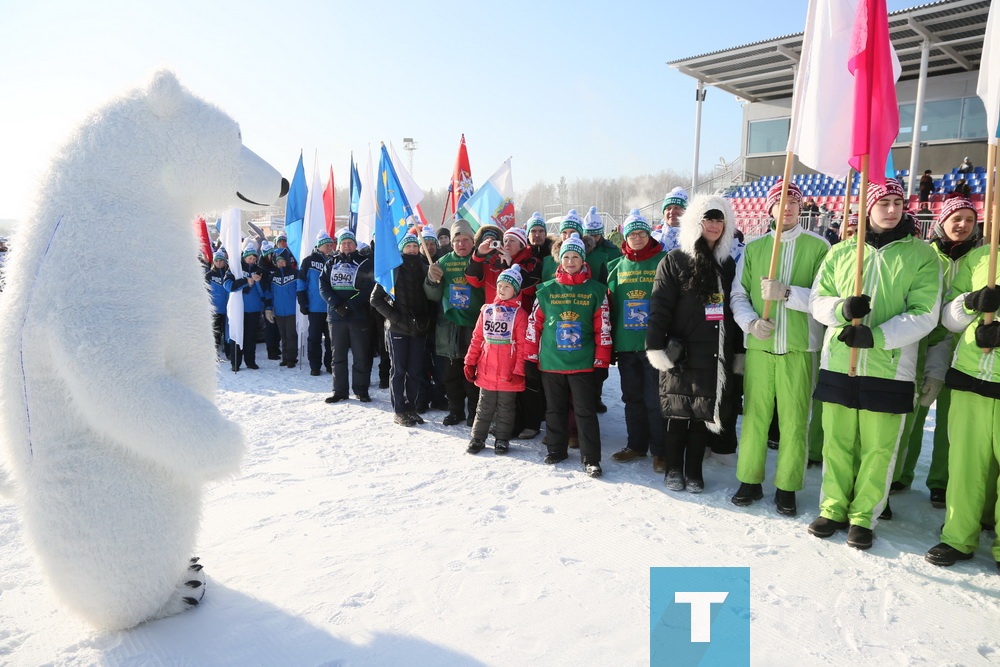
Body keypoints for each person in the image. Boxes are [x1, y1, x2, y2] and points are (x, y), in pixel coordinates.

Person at [807, 178, 942, 550]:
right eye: (884, 203)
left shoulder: (922, 255)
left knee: (878, 449)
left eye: (898, 203)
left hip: (890, 368)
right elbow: (819, 299)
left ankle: (864, 514)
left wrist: (877, 336)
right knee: (837, 442)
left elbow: (925, 313)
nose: (892, 209)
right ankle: (833, 507)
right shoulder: (841, 252)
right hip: (839, 362)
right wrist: (841, 310)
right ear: (868, 208)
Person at [730, 181, 830, 517]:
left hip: (800, 349)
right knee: (756, 417)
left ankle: (787, 486)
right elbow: (738, 295)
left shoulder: (819, 247)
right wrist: (750, 323)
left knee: (795, 420)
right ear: (769, 208)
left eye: (793, 203)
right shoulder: (755, 248)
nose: (786, 209)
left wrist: (788, 294)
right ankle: (749, 479)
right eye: (780, 203)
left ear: (800, 208)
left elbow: (824, 299)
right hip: (761, 348)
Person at [646, 194, 743, 494]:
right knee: (678, 412)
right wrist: (656, 346)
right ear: (695, 222)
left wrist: (738, 352)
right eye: (708, 219)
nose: (714, 225)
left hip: (713, 352)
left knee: (702, 414)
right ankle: (674, 469)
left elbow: (735, 308)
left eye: (719, 219)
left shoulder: (729, 265)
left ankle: (694, 470)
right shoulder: (674, 261)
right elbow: (660, 306)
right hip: (681, 350)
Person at [892, 197, 980, 508]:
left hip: (963, 349)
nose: (962, 225)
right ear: (942, 221)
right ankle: (900, 472)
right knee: (912, 412)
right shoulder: (926, 256)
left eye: (969, 220)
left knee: (949, 421)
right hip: (921, 343)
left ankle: (941, 481)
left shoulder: (981, 259)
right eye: (956, 218)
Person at [924, 227, 1000, 567]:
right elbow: (950, 319)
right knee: (965, 466)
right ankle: (958, 536)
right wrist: (970, 303)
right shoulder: (982, 257)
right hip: (970, 379)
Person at [526, 233, 612, 477]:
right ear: (560, 260)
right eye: (566, 257)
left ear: (583, 259)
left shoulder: (597, 291)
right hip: (551, 363)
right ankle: (556, 449)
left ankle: (591, 458)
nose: (571, 261)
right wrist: (530, 358)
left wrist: (601, 362)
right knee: (554, 409)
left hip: (583, 363)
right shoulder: (545, 290)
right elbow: (534, 327)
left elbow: (603, 329)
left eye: (575, 256)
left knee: (585, 412)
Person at [607, 209, 668, 472]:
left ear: (649, 234)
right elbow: (609, 308)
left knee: (654, 398)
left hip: (654, 344)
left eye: (642, 232)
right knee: (632, 397)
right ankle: (636, 445)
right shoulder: (615, 267)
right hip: (626, 344)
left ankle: (660, 450)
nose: (637, 237)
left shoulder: (664, 260)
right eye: (632, 234)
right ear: (626, 237)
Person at [370, 230, 436, 427]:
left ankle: (412, 408)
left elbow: (431, 297)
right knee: (399, 370)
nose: (413, 249)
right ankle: (399, 410)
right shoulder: (393, 270)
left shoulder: (425, 268)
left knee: (415, 371)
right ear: (401, 249)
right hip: (398, 329)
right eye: (409, 246)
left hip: (418, 329)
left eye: (415, 246)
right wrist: (396, 318)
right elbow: (375, 300)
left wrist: (427, 319)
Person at [425, 217, 485, 427]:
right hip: (449, 326)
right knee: (450, 374)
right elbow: (433, 296)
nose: (461, 244)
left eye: (465, 240)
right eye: (457, 240)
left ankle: (473, 413)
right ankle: (455, 410)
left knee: (472, 372)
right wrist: (431, 280)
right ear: (451, 243)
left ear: (472, 242)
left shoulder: (480, 261)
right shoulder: (443, 262)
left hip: (474, 325)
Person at [464, 264, 529, 455]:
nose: (501, 289)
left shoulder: (520, 314)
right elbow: (477, 338)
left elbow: (524, 345)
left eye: (507, 286)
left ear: (516, 290)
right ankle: (477, 438)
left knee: (506, 409)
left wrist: (519, 370)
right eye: (500, 285)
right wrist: (470, 361)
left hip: (509, 372)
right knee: (484, 407)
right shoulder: (487, 310)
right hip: (486, 369)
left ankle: (502, 439)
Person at [320, 228, 374, 403]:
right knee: (338, 356)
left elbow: (368, 287)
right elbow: (323, 286)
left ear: (355, 245)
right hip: (336, 317)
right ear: (339, 245)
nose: (347, 246)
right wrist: (336, 304)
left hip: (358, 315)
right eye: (344, 243)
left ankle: (361, 390)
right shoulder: (330, 263)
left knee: (361, 355)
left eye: (350, 243)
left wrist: (351, 305)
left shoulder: (365, 262)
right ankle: (339, 391)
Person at [298, 232, 335, 376]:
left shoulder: (334, 260)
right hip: (314, 307)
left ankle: (330, 364)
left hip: (331, 306)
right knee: (314, 338)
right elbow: (301, 282)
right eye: (327, 245)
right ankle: (315, 365)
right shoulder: (308, 261)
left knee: (331, 339)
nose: (329, 247)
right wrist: (302, 301)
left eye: (331, 245)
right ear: (320, 246)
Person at [234, 244, 266, 370]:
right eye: (249, 258)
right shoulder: (237, 269)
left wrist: (257, 282)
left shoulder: (259, 270)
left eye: (254, 258)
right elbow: (231, 286)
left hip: (253, 309)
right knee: (238, 335)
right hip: (239, 308)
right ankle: (236, 362)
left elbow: (263, 292)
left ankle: (250, 361)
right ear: (244, 258)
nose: (251, 260)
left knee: (251, 336)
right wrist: (246, 283)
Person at [268, 247, 299, 368]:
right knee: (283, 334)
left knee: (291, 334)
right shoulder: (273, 276)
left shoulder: (295, 273)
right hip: (279, 310)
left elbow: (300, 289)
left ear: (287, 261)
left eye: (282, 261)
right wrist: (268, 308)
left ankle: (292, 358)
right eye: (278, 262)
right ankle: (285, 357)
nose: (280, 264)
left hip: (292, 310)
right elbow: (269, 293)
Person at [205, 249, 235, 360]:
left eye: (221, 260)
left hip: (228, 308)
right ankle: (214, 355)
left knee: (228, 333)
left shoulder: (229, 274)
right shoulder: (209, 275)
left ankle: (229, 353)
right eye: (216, 261)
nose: (219, 263)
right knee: (215, 333)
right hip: (215, 309)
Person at [659, 187, 688, 253]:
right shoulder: (654, 239)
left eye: (677, 208)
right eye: (668, 208)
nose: (672, 212)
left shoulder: (695, 238)